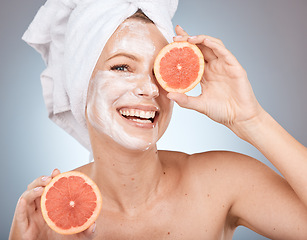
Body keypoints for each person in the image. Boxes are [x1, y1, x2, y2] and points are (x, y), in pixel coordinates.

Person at [9, 0, 307, 239]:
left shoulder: (221, 182)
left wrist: (251, 119)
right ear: (79, 85)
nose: (151, 89)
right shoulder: (52, 217)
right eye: (122, 67)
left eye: (158, 71)